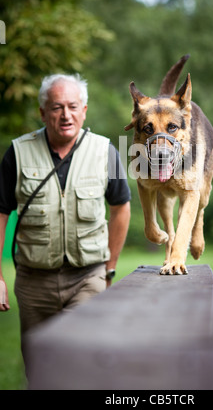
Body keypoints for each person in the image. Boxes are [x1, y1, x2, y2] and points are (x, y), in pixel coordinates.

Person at [0, 74, 131, 357]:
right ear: (43, 112)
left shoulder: (108, 150)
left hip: (87, 277)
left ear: (84, 111)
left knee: (82, 361)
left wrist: (110, 268)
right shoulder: (16, 152)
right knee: (40, 367)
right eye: (57, 107)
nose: (65, 115)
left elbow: (121, 207)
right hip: (33, 283)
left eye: (73, 106)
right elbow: (0, 212)